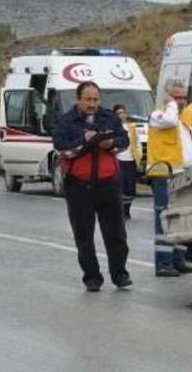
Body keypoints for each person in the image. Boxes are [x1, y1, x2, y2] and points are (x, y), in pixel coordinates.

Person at [52, 81, 131, 292]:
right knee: (84, 236)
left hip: (108, 184)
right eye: (88, 99)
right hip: (79, 186)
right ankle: (92, 277)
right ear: (79, 99)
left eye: (96, 99)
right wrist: (85, 140)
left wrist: (110, 143)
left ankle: (120, 274)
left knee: (116, 234)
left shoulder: (109, 117)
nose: (92, 104)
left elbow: (124, 141)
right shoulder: (66, 120)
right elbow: (61, 147)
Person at [147, 78, 192, 277]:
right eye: (177, 97)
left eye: (184, 97)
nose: (181, 101)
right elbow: (168, 120)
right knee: (164, 220)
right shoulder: (159, 115)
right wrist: (169, 102)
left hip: (183, 175)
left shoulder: (182, 122)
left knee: (181, 220)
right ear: (168, 96)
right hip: (165, 175)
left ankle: (178, 260)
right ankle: (163, 263)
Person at [113, 104, 142, 222]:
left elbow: (137, 143)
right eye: (119, 113)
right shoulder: (114, 128)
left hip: (131, 161)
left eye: (123, 112)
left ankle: (127, 208)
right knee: (121, 186)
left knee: (130, 188)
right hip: (119, 160)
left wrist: (138, 157)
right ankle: (120, 211)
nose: (122, 115)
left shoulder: (132, 128)